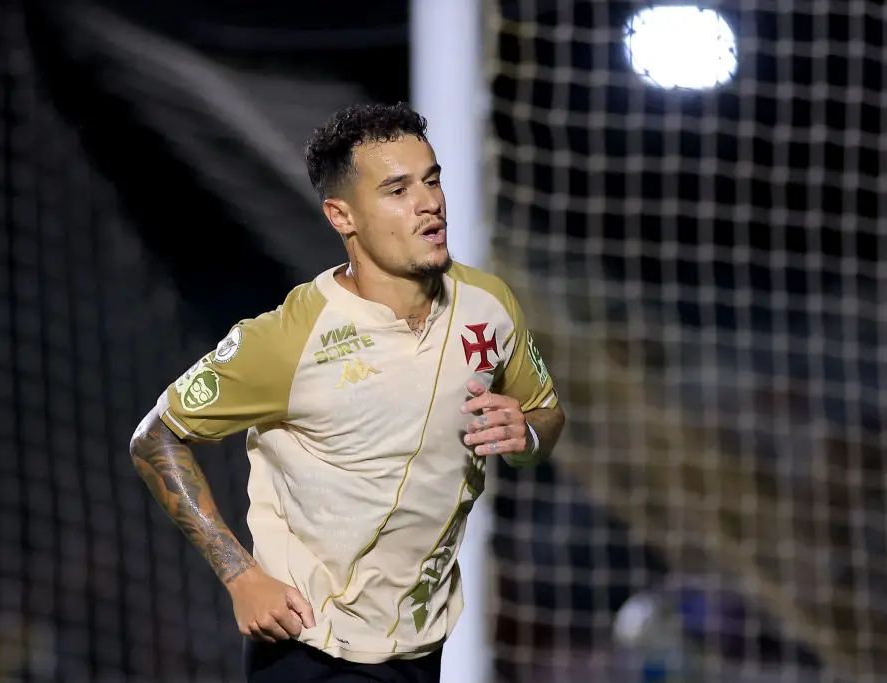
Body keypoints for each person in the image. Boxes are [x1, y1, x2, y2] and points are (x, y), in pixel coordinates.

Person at [129, 102, 566, 683]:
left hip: (419, 646)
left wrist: (529, 433)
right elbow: (155, 437)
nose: (429, 202)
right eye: (397, 189)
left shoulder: (489, 305)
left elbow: (546, 415)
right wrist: (241, 575)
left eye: (432, 180)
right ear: (342, 216)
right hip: (310, 646)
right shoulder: (288, 339)